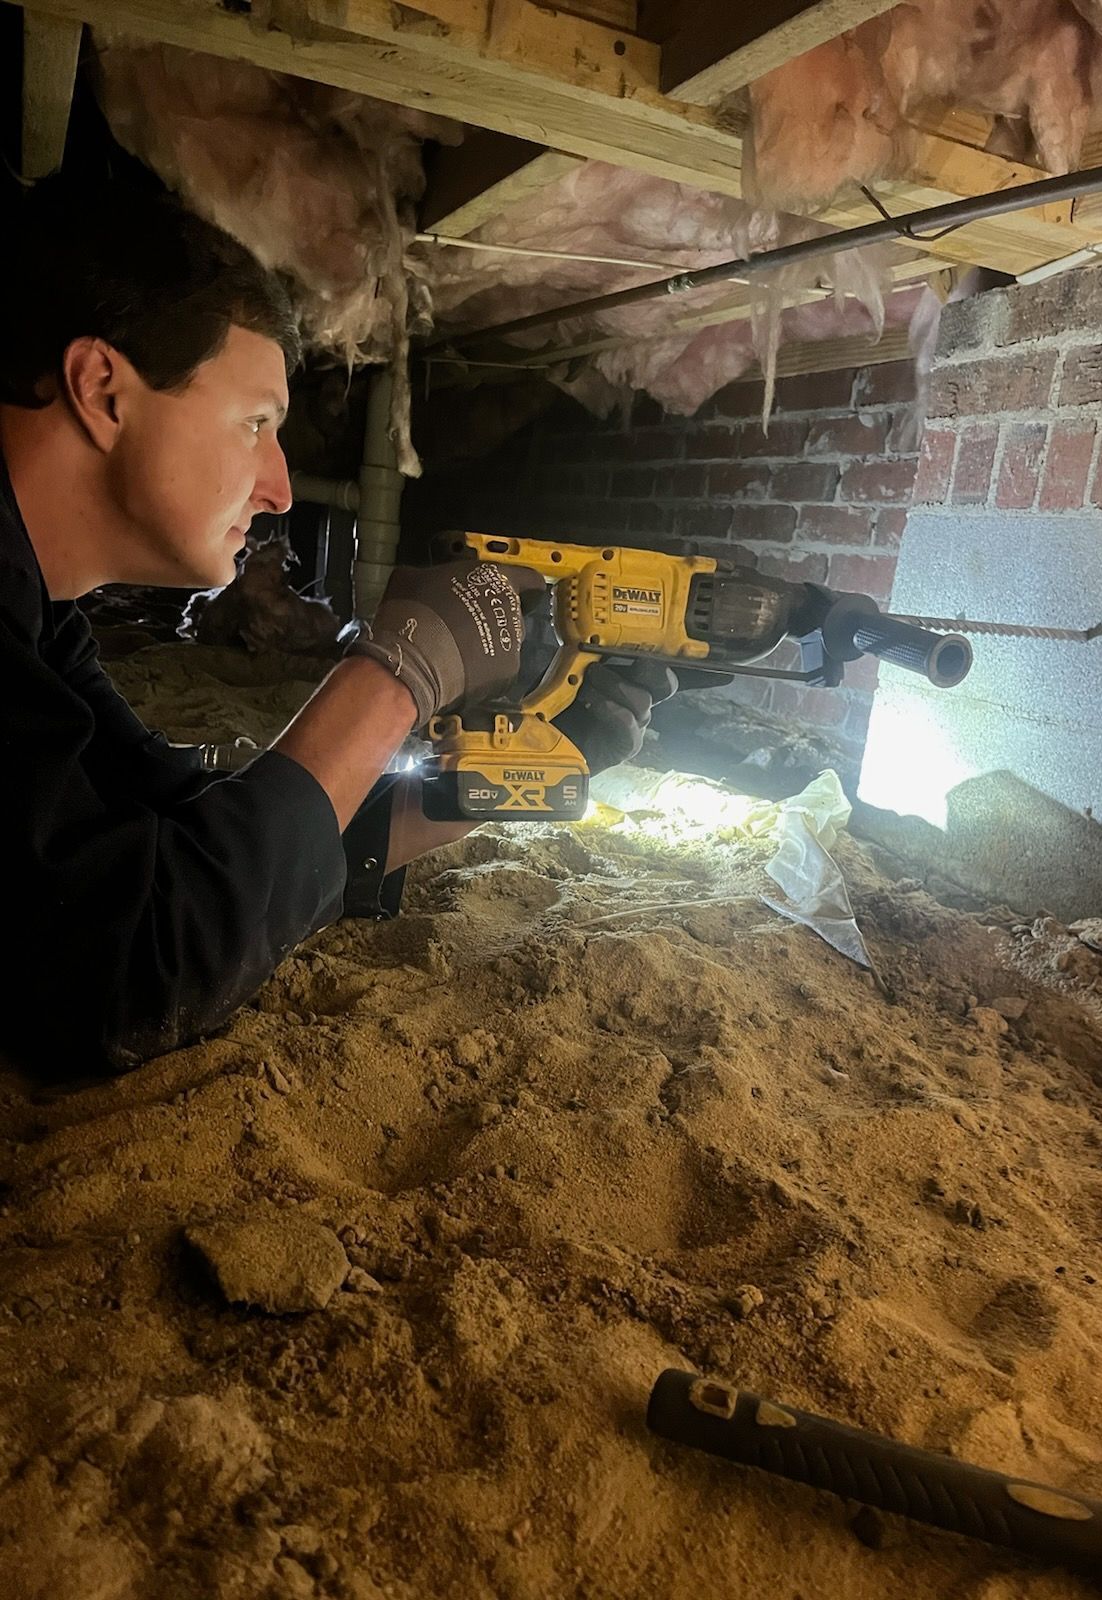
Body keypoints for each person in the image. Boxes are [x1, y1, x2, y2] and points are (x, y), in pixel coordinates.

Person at [0, 176, 674, 1077]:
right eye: (255, 423)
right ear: (102, 389)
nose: (280, 488)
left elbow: (188, 831)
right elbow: (127, 975)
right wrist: (400, 672)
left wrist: (529, 767)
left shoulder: (37, 617)